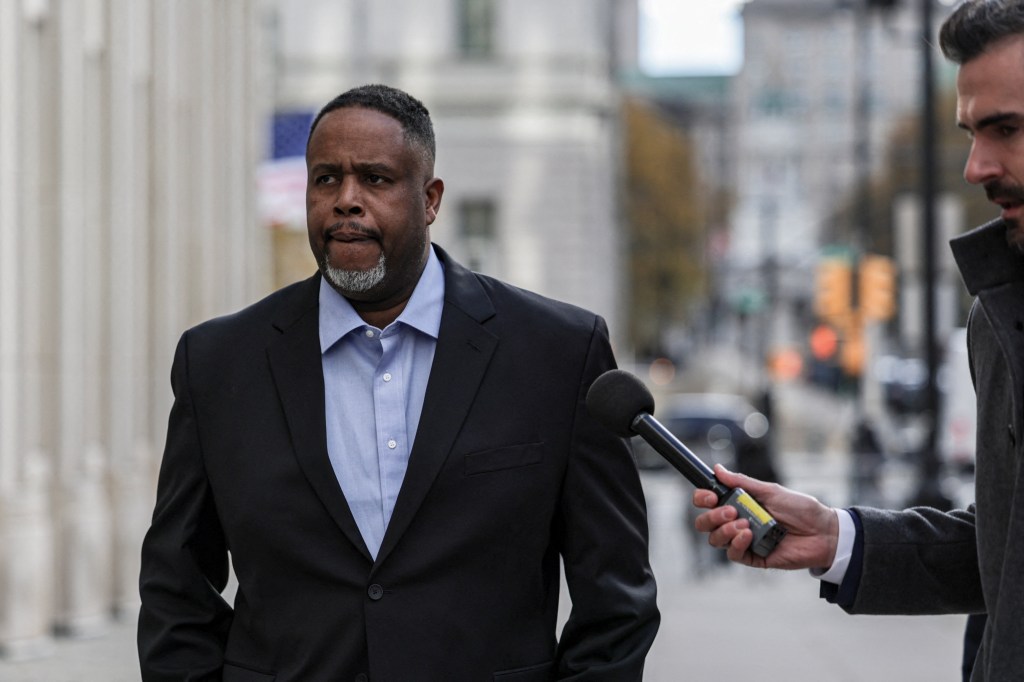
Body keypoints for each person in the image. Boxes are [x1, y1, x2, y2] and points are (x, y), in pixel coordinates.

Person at [138, 84, 659, 681]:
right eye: (326, 179)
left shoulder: (558, 353)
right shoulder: (218, 363)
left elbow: (616, 600)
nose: (346, 201)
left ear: (430, 199)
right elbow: (176, 589)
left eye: (375, 179)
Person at [692, 2, 1024, 680]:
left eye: (1008, 129)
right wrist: (837, 538)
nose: (976, 167)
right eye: (970, 133)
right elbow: (1006, 552)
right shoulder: (1001, 316)